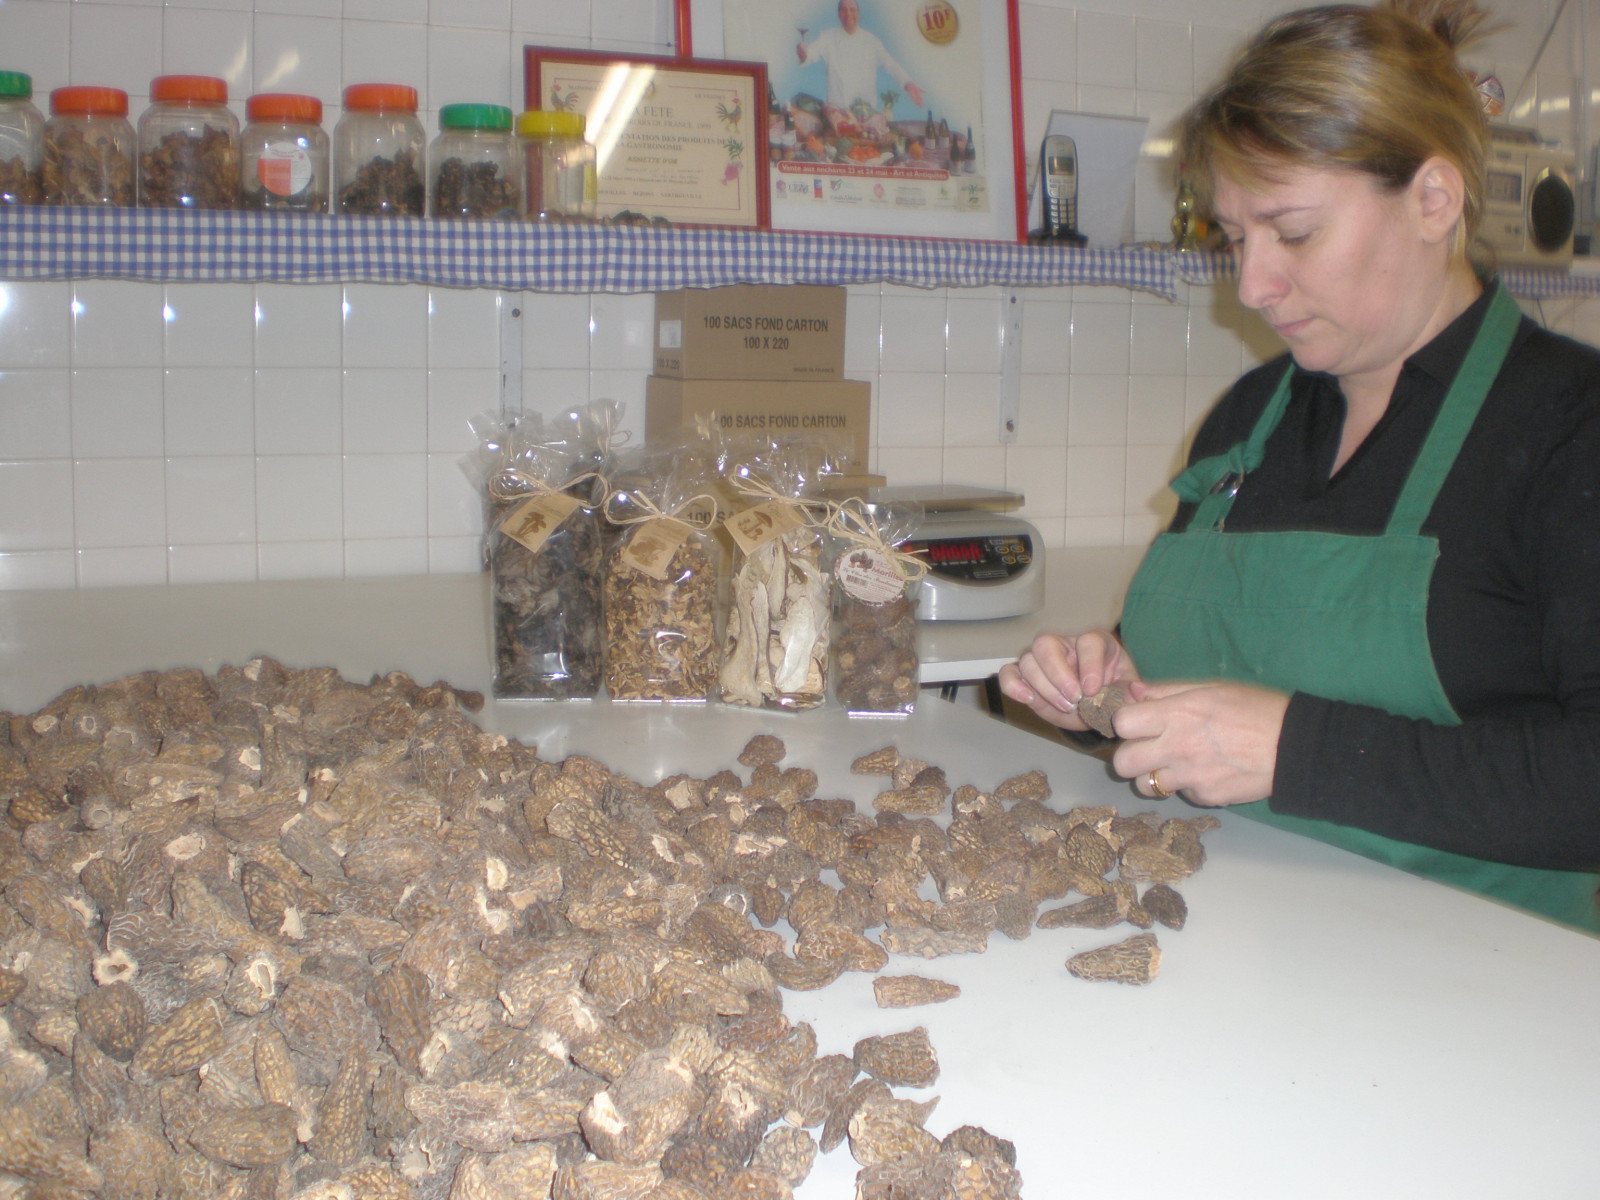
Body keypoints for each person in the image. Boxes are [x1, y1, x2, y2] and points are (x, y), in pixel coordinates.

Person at [998, 0, 1600, 933]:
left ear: (1433, 201)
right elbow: (1194, 689)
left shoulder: (1571, 427)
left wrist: (1296, 749)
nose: (1251, 286)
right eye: (1237, 239)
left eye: (1294, 232)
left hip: (1482, 992)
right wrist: (1104, 688)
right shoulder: (1251, 419)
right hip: (1231, 944)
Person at [797, 0, 924, 115]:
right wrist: (803, 54)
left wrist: (908, 83)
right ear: (838, 14)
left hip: (866, 113)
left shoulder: (871, 41)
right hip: (838, 112)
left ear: (858, 13)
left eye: (852, 9)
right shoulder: (827, 37)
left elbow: (890, 64)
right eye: (843, 10)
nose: (848, 14)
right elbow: (809, 54)